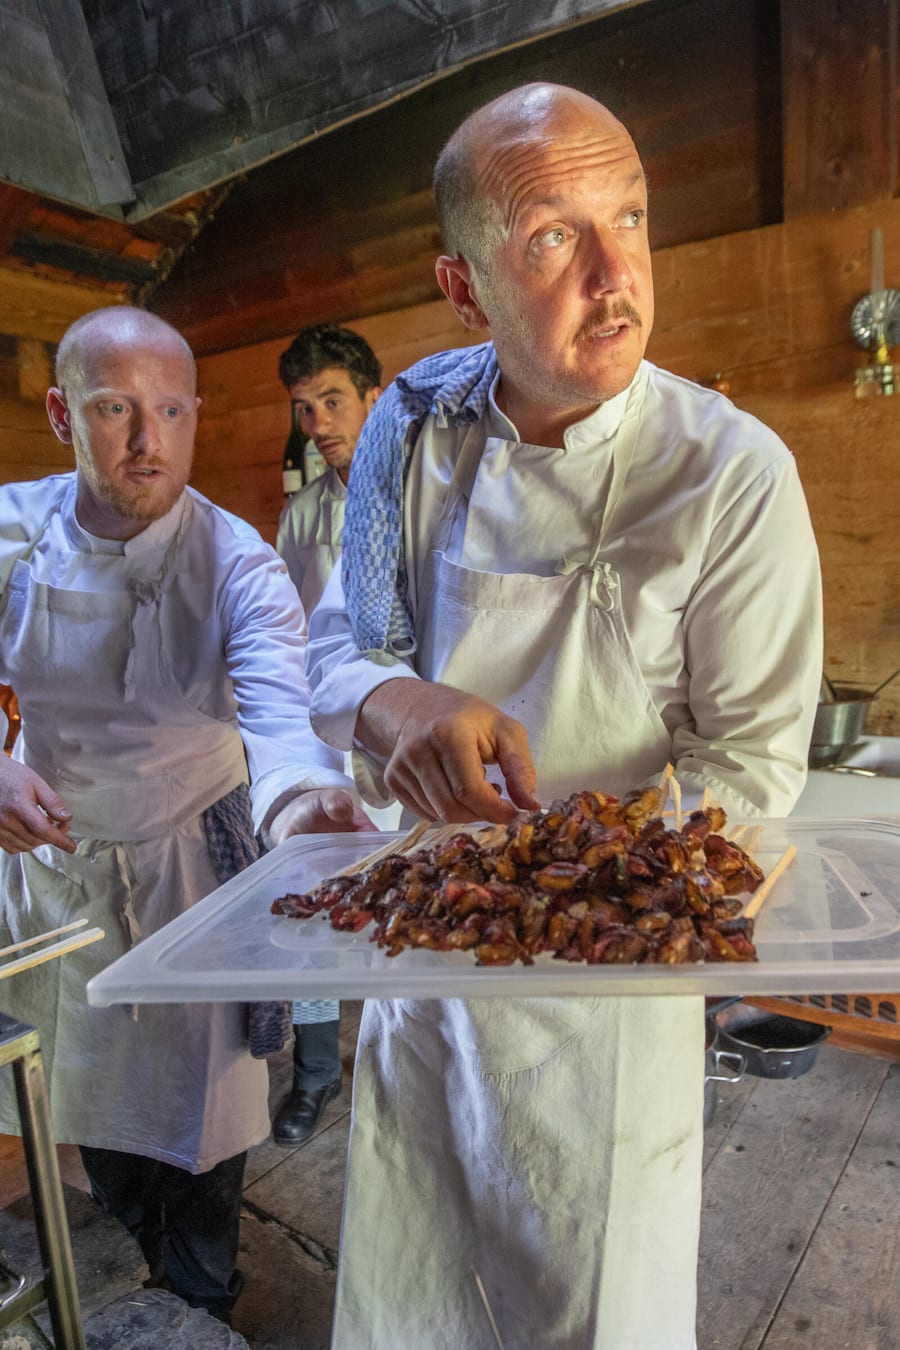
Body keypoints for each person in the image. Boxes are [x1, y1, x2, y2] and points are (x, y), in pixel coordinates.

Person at [305, 83, 823, 1349]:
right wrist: (394, 699)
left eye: (631, 218)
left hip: (613, 979)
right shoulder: (412, 427)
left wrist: (560, 882)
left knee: (596, 1301)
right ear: (466, 287)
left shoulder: (730, 473)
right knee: (418, 1290)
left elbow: (749, 768)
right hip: (430, 954)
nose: (615, 275)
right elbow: (340, 646)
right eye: (553, 237)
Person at [0, 306, 372, 1324]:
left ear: (197, 415)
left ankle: (203, 1294)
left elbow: (280, 710)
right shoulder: (10, 532)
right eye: (114, 409)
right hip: (57, 868)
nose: (145, 441)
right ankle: (128, 1267)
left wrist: (301, 797)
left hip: (189, 874)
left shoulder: (236, 561)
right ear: (60, 412)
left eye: (169, 411)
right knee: (89, 1095)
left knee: (206, 1113)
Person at [271, 324, 384, 1146]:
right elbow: (284, 636)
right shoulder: (300, 517)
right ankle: (314, 1074)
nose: (319, 423)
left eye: (333, 400)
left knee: (407, 897)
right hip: (323, 738)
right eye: (305, 408)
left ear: (374, 397)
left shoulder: (424, 490)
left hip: (399, 737)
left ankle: (394, 1066)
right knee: (314, 908)